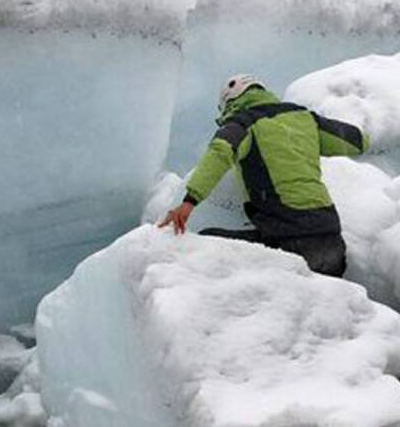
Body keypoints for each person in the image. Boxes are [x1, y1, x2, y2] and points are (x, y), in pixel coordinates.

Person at [158, 73, 368, 277]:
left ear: (229, 103)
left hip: (288, 244)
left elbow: (220, 153)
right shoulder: (304, 117)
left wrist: (189, 201)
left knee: (206, 241)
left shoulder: (243, 123)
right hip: (332, 243)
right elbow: (355, 141)